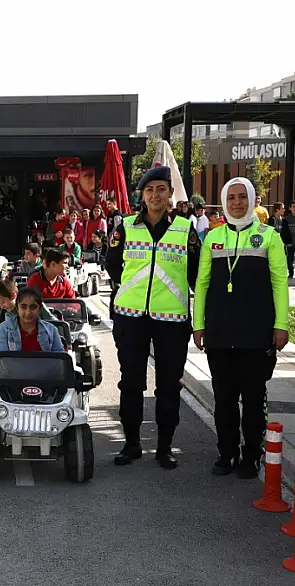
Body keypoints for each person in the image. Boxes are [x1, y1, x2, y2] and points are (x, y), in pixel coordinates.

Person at [193, 178, 289, 478]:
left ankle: (251, 455)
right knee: (223, 399)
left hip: (256, 332)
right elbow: (203, 283)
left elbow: (280, 283)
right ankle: (226, 452)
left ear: (252, 200)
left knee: (252, 398)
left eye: (242, 197)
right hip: (220, 333)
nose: (237, 202)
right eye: (231, 197)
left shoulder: (269, 236)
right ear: (223, 201)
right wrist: (198, 325)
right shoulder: (213, 238)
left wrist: (281, 325)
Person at [105, 166, 200, 469]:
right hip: (131, 316)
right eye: (149, 190)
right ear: (142, 195)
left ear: (171, 194)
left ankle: (164, 447)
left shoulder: (186, 230)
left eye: (161, 189)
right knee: (131, 382)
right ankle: (131, 443)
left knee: (169, 385)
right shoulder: (125, 227)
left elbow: (198, 273)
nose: (155, 195)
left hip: (172, 318)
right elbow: (113, 265)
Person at [0, 287, 65, 353]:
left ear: (40, 309)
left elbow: (59, 360)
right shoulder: (4, 330)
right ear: (17, 308)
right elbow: (2, 361)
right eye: (23, 307)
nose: (28, 312)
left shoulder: (52, 330)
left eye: (33, 307)